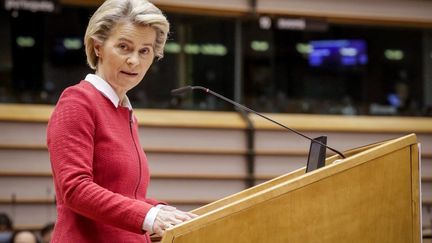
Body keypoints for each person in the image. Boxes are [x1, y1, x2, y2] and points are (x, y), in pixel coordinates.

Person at [46, 0, 197, 242]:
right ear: (98, 47)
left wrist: (159, 209)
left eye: (144, 51)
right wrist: (148, 215)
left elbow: (124, 194)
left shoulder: (125, 112)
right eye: (124, 47)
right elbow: (74, 189)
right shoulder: (77, 102)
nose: (134, 61)